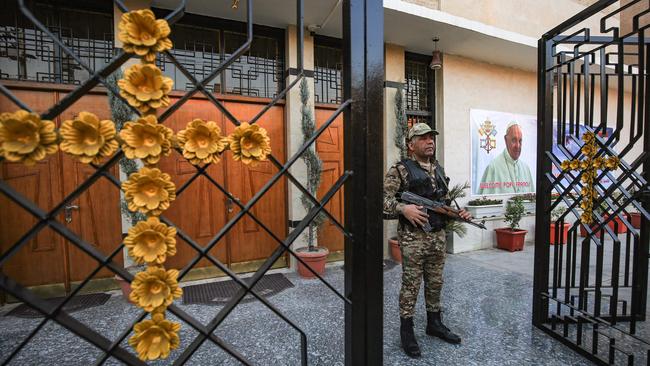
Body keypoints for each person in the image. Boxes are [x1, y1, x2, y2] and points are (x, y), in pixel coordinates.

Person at [383, 123, 472, 358]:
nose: (430, 141)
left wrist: (457, 212)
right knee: (411, 285)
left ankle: (434, 324)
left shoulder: (438, 169)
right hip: (413, 238)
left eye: (431, 137)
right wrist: (404, 209)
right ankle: (407, 331)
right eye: (423, 138)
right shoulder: (400, 170)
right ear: (411, 145)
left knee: (435, 282)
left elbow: (442, 202)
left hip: (437, 236)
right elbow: (381, 201)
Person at [478, 121, 535, 194]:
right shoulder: (493, 167)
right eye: (514, 140)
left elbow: (533, 200)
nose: (518, 146)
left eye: (520, 141)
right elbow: (485, 200)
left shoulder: (526, 169)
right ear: (506, 140)